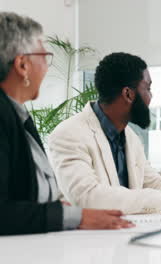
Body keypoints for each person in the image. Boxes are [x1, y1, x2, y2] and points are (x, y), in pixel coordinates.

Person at [0, 12, 134, 235]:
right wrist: (74, 217)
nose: (47, 66)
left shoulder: (17, 114)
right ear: (22, 65)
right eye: (44, 56)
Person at [48, 53, 161, 215]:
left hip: (128, 232)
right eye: (148, 88)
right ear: (128, 94)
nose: (151, 96)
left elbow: (153, 183)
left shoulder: (131, 138)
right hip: (88, 239)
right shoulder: (68, 134)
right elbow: (87, 197)